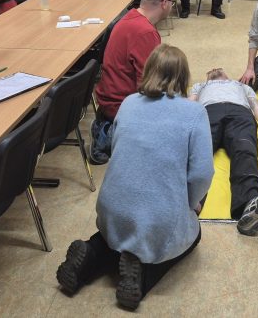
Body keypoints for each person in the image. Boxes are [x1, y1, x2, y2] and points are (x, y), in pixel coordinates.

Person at [56, 44, 213, 311]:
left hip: (111, 209)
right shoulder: (195, 113)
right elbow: (201, 173)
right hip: (157, 217)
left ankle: (88, 256)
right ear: (183, 77)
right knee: (192, 235)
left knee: (116, 238)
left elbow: (118, 148)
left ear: (148, 71)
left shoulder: (128, 103)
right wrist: (190, 205)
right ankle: (142, 273)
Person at [189, 67, 258, 236]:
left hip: (240, 114)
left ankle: (249, 207)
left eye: (218, 69)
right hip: (207, 111)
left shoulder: (242, 86)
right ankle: (188, 205)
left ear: (228, 76)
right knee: (197, 154)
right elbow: (189, 105)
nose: (215, 69)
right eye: (211, 70)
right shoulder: (200, 86)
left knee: (245, 151)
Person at [91, 0, 175, 163]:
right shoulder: (146, 32)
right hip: (121, 107)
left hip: (108, 101)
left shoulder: (130, 17)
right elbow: (149, 85)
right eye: (172, 3)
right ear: (164, 3)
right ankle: (111, 132)